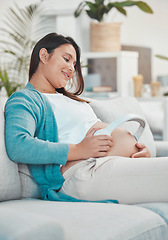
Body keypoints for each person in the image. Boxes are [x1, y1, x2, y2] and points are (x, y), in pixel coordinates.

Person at [5, 33, 168, 204]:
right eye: (67, 59)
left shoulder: (69, 100)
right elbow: (18, 145)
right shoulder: (25, 99)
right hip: (83, 172)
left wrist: (136, 153)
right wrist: (78, 150)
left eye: (74, 64)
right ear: (44, 55)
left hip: (107, 164)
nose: (71, 68)